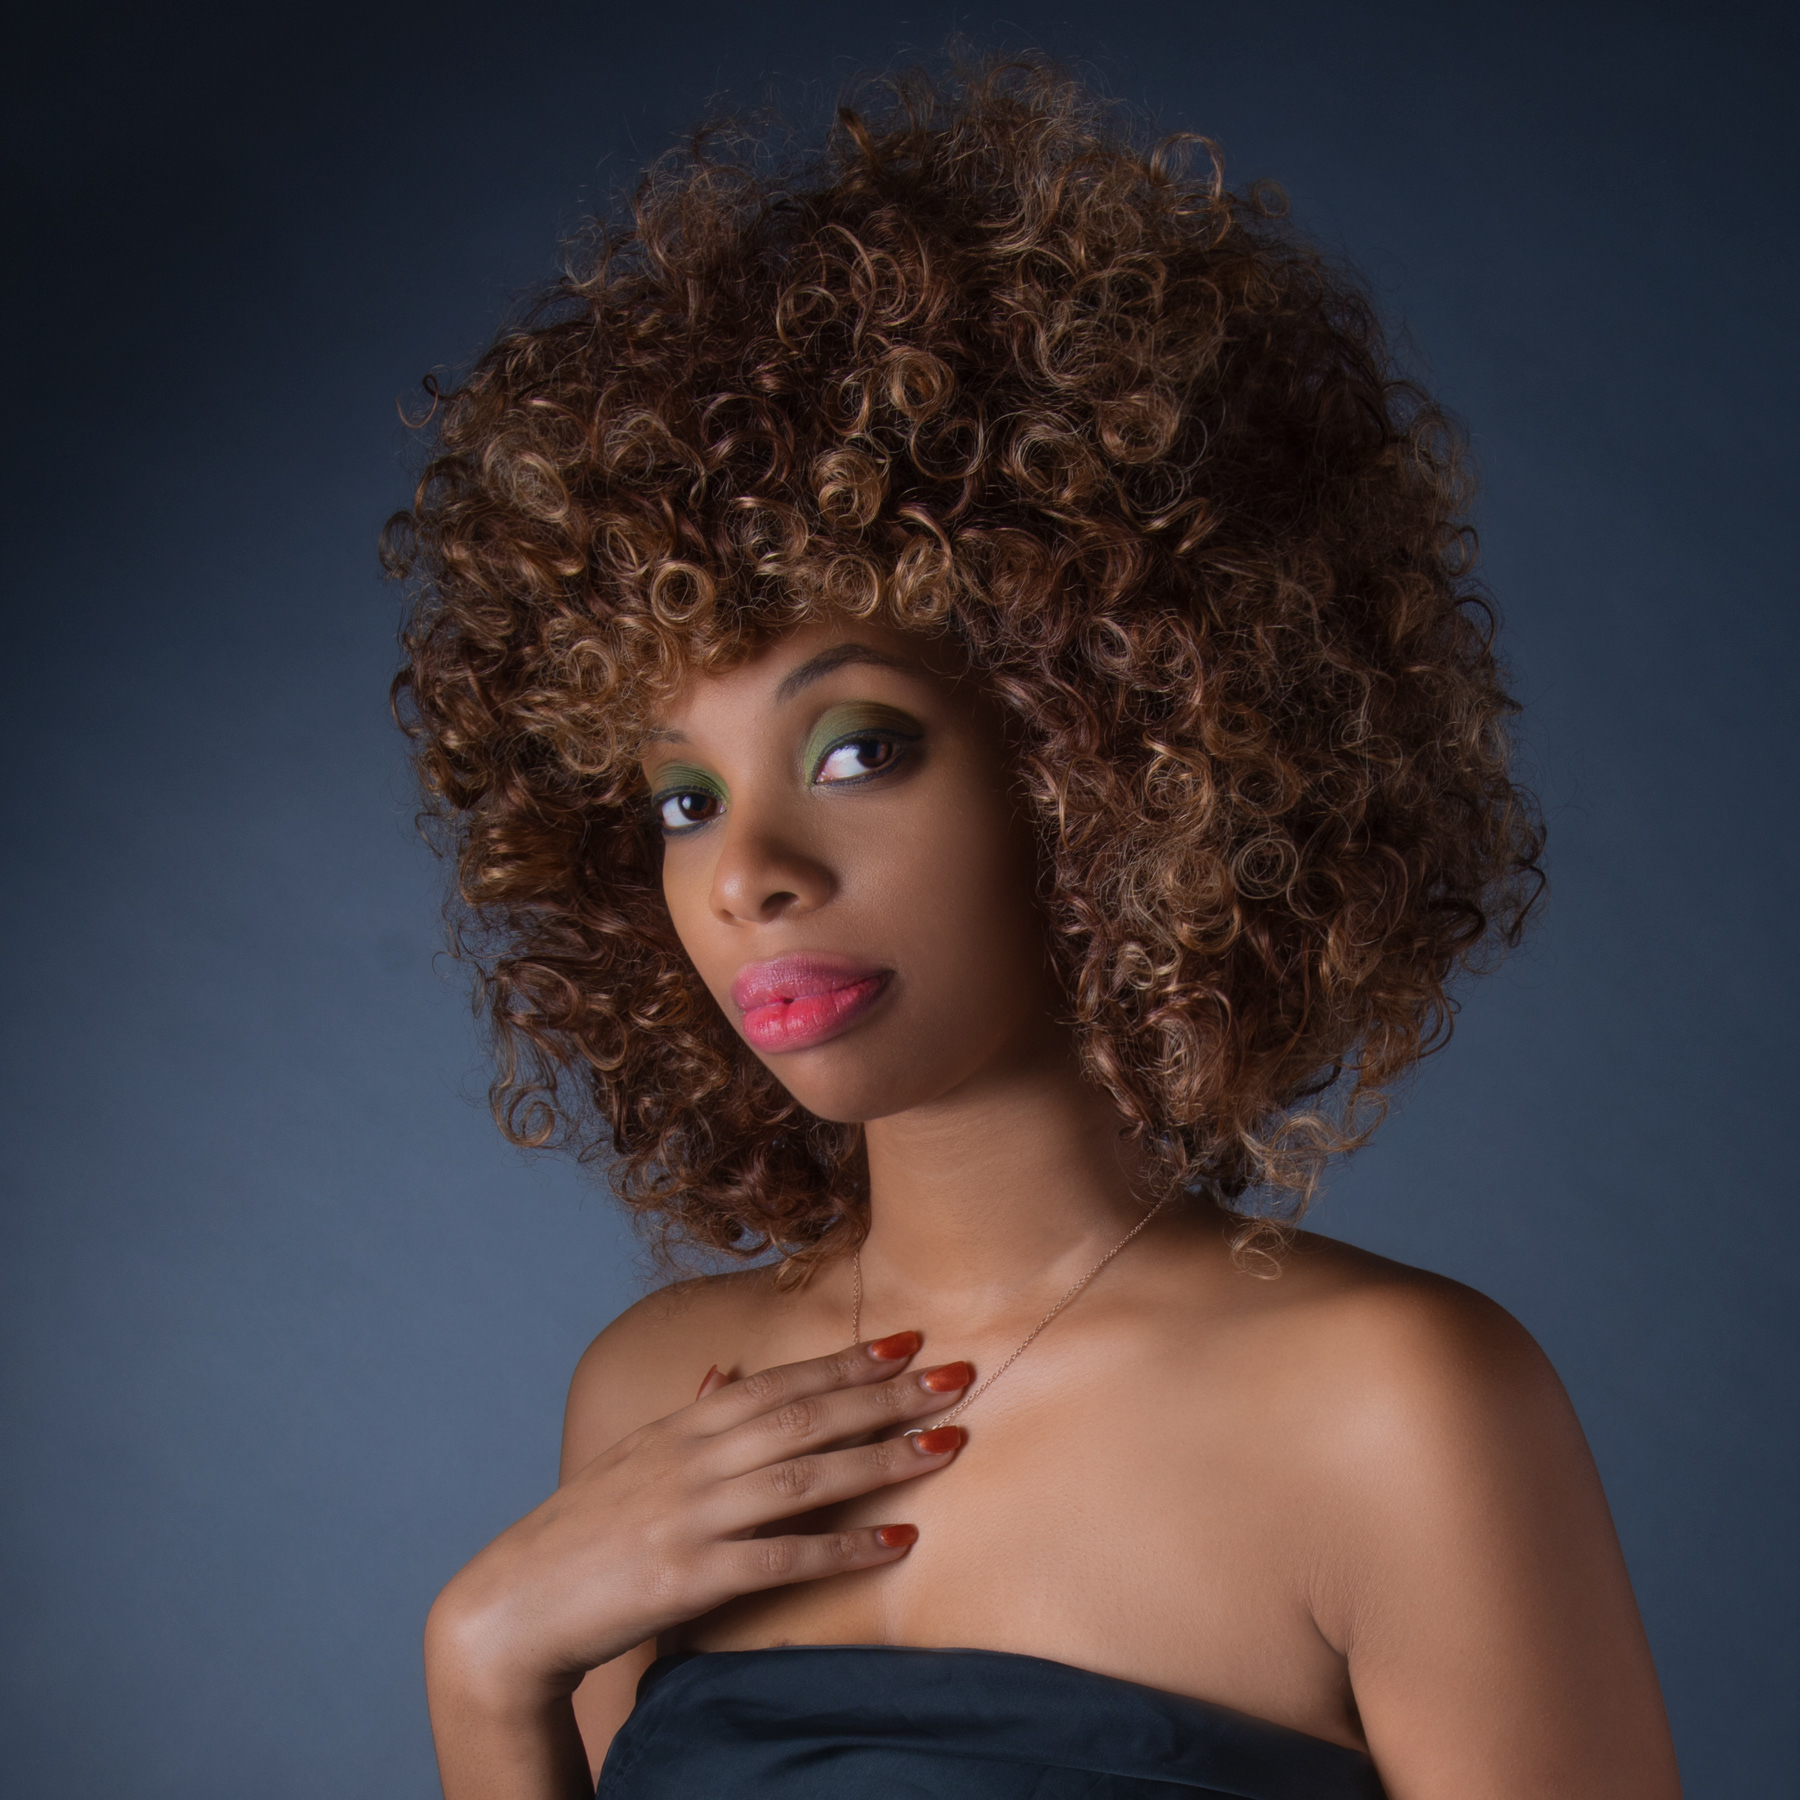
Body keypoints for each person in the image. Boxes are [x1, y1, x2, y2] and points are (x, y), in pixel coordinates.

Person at [385, 59, 1682, 1800]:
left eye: (859, 750)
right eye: (682, 797)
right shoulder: (659, 1395)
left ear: (1107, 761)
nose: (746, 870)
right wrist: (484, 1672)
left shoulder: (1397, 1406)